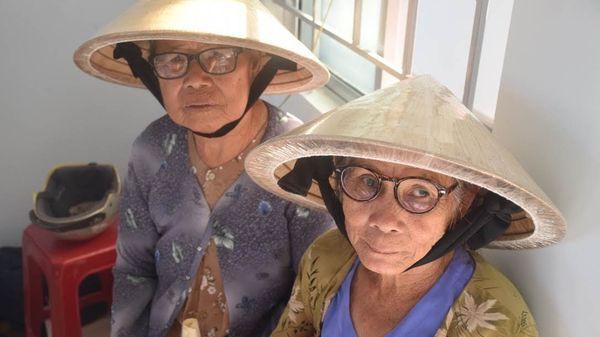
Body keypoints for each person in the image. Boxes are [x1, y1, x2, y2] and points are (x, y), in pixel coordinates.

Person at [73, 1, 333, 336]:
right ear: (153, 72)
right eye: (172, 60)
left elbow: (312, 298)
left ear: (257, 66)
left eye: (220, 58)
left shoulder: (297, 163)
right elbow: (133, 268)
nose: (195, 80)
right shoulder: (151, 149)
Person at [244, 75, 566, 337]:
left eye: (421, 193)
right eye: (368, 182)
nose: (385, 220)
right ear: (338, 186)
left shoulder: (495, 318)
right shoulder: (327, 257)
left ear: (463, 203)